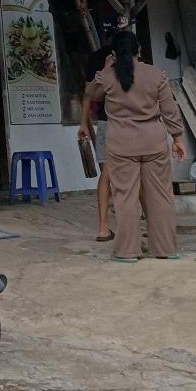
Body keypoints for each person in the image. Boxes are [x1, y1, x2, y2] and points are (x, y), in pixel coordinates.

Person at [86, 30, 187, 261]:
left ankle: (127, 251)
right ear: (139, 50)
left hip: (121, 146)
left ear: (114, 53)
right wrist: (178, 138)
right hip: (154, 143)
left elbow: (92, 93)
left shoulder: (109, 76)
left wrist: (105, 67)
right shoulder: (156, 74)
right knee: (161, 196)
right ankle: (165, 249)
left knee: (125, 197)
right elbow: (169, 110)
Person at [79, 41, 115, 241]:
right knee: (136, 174)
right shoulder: (132, 59)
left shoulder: (97, 59)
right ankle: (150, 225)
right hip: (127, 126)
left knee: (107, 175)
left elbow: (89, 93)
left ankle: (103, 228)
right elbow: (91, 93)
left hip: (106, 124)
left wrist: (84, 122)